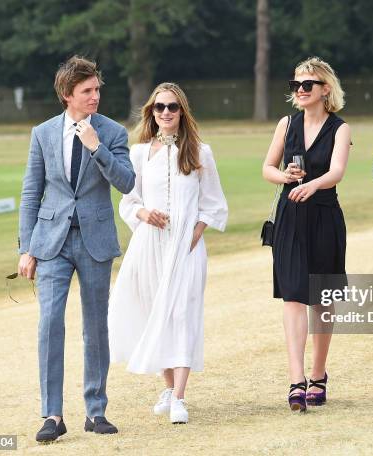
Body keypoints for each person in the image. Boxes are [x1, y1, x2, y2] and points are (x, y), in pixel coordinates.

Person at [18, 56, 135, 442]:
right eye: (87, 91)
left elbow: (127, 183)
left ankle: (95, 411)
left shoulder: (113, 132)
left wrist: (97, 147)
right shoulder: (43, 133)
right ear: (68, 95)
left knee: (95, 327)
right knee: (49, 325)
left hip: (95, 241)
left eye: (97, 89)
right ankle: (52, 415)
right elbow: (31, 192)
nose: (95, 96)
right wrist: (27, 248)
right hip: (51, 243)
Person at [108, 82, 228, 424]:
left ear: (182, 111)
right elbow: (129, 201)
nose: (165, 113)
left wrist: (195, 232)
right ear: (151, 112)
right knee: (154, 312)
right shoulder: (139, 153)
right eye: (159, 107)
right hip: (150, 246)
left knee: (182, 314)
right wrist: (143, 213)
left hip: (186, 249)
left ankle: (179, 397)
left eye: (172, 107)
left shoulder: (200, 152)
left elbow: (214, 203)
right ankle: (167, 385)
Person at [262, 57, 351, 412]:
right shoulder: (287, 124)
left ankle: (318, 374)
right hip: (290, 218)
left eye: (307, 85)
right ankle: (296, 380)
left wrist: (311, 185)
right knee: (293, 296)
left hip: (325, 217)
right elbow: (267, 167)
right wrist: (284, 177)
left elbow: (337, 171)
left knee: (321, 298)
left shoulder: (340, 128)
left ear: (325, 89)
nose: (299, 90)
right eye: (295, 85)